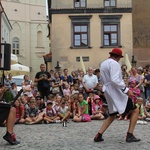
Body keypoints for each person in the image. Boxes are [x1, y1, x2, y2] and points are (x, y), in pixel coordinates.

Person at [94, 48, 140, 143]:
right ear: (118, 57)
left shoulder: (103, 63)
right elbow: (115, 79)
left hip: (108, 90)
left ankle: (99, 135)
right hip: (116, 92)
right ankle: (130, 135)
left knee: (113, 114)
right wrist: (126, 90)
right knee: (135, 110)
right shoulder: (114, 64)